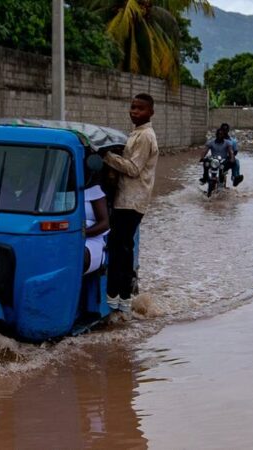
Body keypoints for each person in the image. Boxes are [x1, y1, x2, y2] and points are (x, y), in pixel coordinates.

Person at [102, 93, 159, 313]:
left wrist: (106, 156)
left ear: (150, 112)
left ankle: (118, 297)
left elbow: (133, 169)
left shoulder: (145, 136)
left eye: (140, 108)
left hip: (132, 200)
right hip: (126, 198)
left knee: (120, 248)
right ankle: (123, 299)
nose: (134, 111)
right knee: (123, 247)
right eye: (133, 107)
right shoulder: (136, 133)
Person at [84, 160, 110, 275]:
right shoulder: (52, 188)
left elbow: (104, 224)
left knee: (76, 256)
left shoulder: (93, 189)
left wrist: (82, 233)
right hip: (61, 238)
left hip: (91, 240)